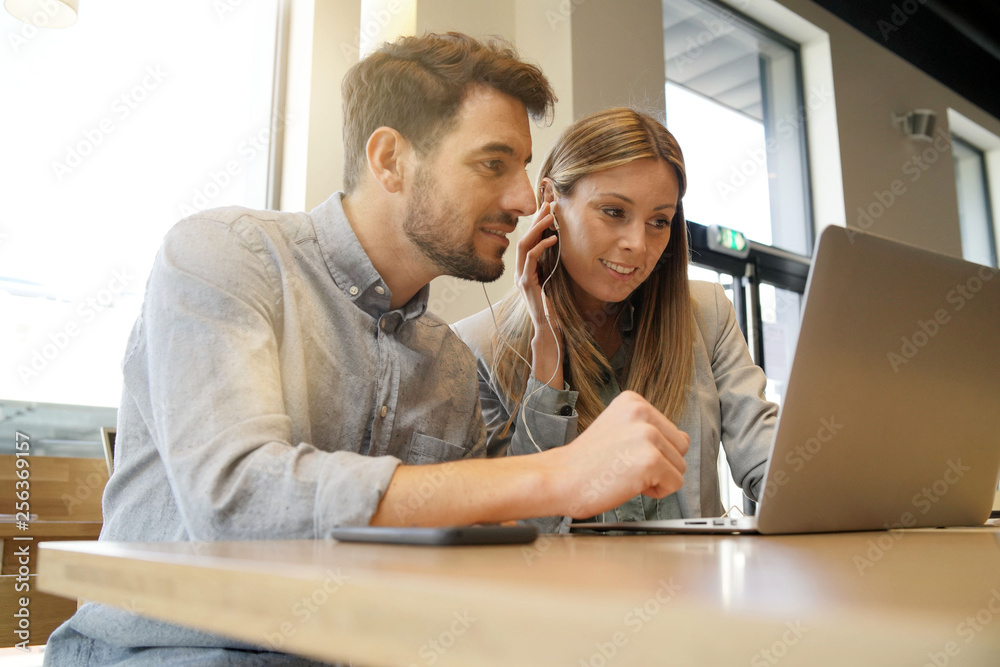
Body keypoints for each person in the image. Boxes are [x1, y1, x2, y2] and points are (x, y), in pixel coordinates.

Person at [45, 35, 692, 666]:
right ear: (389, 160)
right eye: (494, 163)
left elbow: (528, 529)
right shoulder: (225, 256)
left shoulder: (449, 365)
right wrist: (561, 472)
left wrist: (550, 351)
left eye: (524, 167)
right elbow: (236, 500)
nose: (525, 199)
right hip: (166, 651)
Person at [453, 107, 777, 533]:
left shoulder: (707, 313)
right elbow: (527, 523)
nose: (638, 245)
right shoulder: (476, 348)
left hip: (695, 589)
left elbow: (768, 462)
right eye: (613, 212)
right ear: (550, 200)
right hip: (569, 595)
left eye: (659, 221)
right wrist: (546, 359)